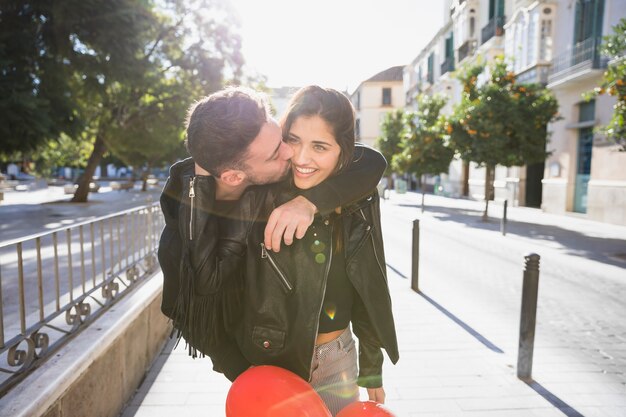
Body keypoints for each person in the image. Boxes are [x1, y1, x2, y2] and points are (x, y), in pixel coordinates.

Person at [157, 86, 387, 382]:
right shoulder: (183, 229)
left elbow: (370, 161)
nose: (291, 153)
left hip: (332, 358)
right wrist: (249, 377)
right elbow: (189, 314)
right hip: (264, 372)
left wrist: (309, 202)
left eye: (282, 137)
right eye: (280, 149)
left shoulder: (279, 177)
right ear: (233, 176)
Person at [233, 86, 399, 416]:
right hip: (271, 363)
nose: (302, 157)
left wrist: (371, 364)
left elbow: (366, 283)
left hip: (336, 360)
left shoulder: (358, 201)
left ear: (343, 152)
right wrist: (242, 370)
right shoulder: (262, 193)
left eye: (320, 146)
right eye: (293, 140)